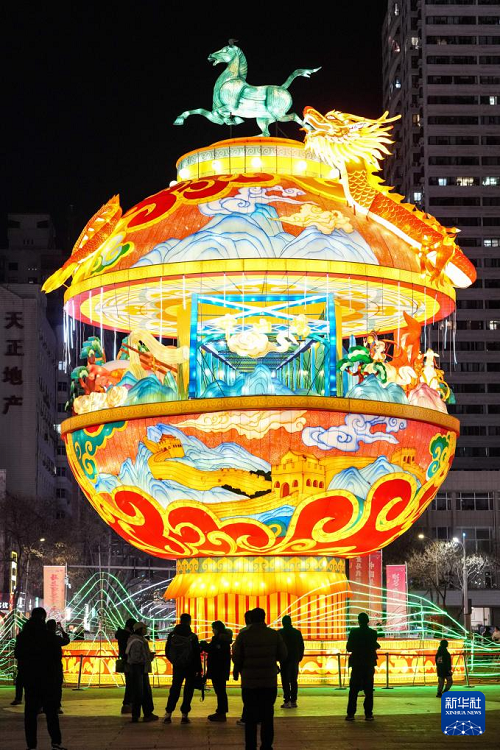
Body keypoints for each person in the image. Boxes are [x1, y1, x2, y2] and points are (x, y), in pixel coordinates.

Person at [232, 607, 287, 750]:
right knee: (267, 716)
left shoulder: (243, 636)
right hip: (268, 682)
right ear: (264, 617)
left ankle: (250, 746)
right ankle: (266, 746)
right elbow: (283, 655)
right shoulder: (274, 635)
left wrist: (238, 669)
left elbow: (236, 657)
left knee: (250, 717)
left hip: (249, 682)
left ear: (250, 619)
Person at [14, 606, 67, 750]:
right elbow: (57, 657)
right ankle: (56, 742)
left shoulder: (23, 636)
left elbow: (17, 654)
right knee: (51, 713)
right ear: (43, 618)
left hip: (30, 679)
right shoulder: (49, 636)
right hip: (47, 679)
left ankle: (31, 745)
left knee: (30, 714)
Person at [164, 613, 202, 724]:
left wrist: (175, 661)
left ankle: (168, 714)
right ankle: (184, 715)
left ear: (180, 621)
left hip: (177, 667)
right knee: (188, 691)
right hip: (190, 667)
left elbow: (167, 651)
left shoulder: (172, 635)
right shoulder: (192, 636)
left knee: (175, 689)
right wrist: (198, 669)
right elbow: (196, 654)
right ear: (189, 621)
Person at [345, 612, 380, 722]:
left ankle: (351, 714)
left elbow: (349, 648)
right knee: (369, 690)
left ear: (359, 621)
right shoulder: (373, 633)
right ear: (368, 621)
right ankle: (368, 714)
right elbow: (374, 645)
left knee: (353, 690)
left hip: (357, 663)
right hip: (368, 663)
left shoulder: (354, 632)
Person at [125, 622, 158, 723]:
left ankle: (143, 714)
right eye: (144, 628)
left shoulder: (136, 640)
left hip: (140, 669)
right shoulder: (137, 641)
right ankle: (141, 714)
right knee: (140, 692)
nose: (146, 630)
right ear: (140, 629)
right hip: (138, 669)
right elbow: (135, 658)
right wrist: (148, 658)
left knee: (143, 691)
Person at [201, 620, 232, 722]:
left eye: (213, 629)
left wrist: (204, 645)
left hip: (217, 669)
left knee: (220, 691)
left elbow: (211, 649)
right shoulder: (226, 640)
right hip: (222, 668)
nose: (212, 631)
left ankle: (221, 712)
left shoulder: (218, 639)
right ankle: (221, 712)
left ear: (217, 629)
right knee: (221, 691)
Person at [278, 615, 304, 708]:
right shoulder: (297, 633)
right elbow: (301, 646)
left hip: (284, 659)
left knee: (285, 680)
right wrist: (299, 657)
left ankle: (287, 700)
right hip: (294, 659)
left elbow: (278, 646)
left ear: (283, 623)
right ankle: (293, 701)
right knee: (293, 680)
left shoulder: (280, 633)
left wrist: (278, 657)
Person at [46, 620, 70, 714]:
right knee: (57, 687)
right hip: (56, 665)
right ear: (55, 627)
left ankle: (43, 706)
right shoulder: (56, 638)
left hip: (45, 665)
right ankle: (57, 706)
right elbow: (67, 641)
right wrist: (63, 632)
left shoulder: (42, 639)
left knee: (45, 686)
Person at [234, 611, 252, 727]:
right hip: (266, 673)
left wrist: (236, 668)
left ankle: (247, 718)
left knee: (248, 694)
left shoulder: (243, 633)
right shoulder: (270, 634)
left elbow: (237, 653)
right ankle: (261, 718)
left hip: (247, 669)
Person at [115, 617, 137, 714]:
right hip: (129, 661)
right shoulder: (128, 636)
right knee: (131, 683)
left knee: (130, 683)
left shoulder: (121, 634)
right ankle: (128, 703)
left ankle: (128, 703)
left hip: (125, 660)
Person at [11, 629, 24, 705]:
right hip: (31, 665)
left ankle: (18, 698)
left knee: (19, 683)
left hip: (22, 665)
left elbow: (17, 653)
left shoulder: (21, 638)